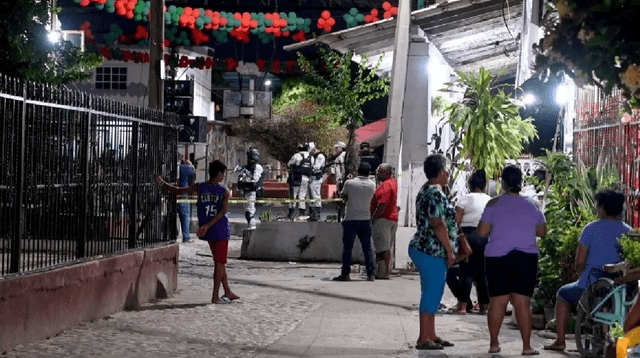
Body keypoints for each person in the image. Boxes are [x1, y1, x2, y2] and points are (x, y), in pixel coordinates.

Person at [544, 189, 631, 351]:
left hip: (591, 284)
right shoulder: (628, 230)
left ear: (602, 208)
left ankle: (560, 341)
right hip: (619, 287)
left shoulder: (590, 229)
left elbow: (580, 261)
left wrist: (580, 275)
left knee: (563, 294)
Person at [478, 165, 546, 355]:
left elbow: (482, 232)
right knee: (522, 303)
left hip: (497, 257)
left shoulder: (493, 203)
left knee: (497, 302)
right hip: (526, 257)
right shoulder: (532, 203)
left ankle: (493, 344)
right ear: (521, 181)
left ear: (503, 182)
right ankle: (526, 347)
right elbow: (542, 231)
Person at [155, 160, 240, 304]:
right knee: (219, 263)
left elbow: (178, 190)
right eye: (223, 173)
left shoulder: (200, 187)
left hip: (209, 230)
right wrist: (207, 225)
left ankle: (227, 291)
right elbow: (222, 213)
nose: (224, 176)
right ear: (218, 174)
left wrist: (162, 183)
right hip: (220, 229)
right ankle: (215, 296)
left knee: (220, 262)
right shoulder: (225, 191)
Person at [408, 153, 459, 350]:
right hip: (431, 249)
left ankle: (431, 334)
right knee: (431, 293)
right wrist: (450, 251)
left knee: (433, 293)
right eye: (446, 169)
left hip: (426, 248)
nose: (448, 173)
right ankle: (424, 337)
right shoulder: (435, 193)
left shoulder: (428, 190)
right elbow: (438, 224)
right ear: (441, 172)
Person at [453, 169, 492, 314]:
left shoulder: (465, 198)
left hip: (468, 235)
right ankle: (484, 307)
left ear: (470, 184)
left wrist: (461, 235)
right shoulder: (489, 200)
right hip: (485, 236)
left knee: (466, 272)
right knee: (482, 273)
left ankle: (463, 306)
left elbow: (457, 220)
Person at [333, 162, 377, 282]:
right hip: (366, 219)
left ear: (358, 171)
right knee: (367, 247)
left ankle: (345, 274)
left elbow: (343, 197)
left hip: (351, 219)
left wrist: (348, 180)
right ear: (369, 172)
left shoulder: (349, 183)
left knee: (348, 248)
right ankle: (371, 273)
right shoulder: (372, 185)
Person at [370, 163, 398, 279]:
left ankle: (383, 272)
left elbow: (382, 205)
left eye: (380, 172)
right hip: (391, 218)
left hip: (383, 219)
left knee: (382, 248)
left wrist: (374, 218)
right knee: (386, 247)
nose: (378, 174)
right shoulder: (393, 183)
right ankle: (384, 271)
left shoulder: (386, 186)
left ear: (386, 173)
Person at [237, 148, 263, 229]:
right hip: (247, 192)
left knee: (250, 212)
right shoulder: (245, 167)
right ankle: (251, 226)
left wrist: (246, 182)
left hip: (253, 193)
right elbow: (240, 182)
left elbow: (254, 182)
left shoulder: (257, 167)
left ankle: (252, 227)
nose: (247, 159)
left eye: (249, 157)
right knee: (247, 212)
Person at [287, 143, 311, 220]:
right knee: (302, 196)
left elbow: (289, 164)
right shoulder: (311, 157)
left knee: (293, 196)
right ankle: (302, 213)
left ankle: (291, 213)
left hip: (296, 178)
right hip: (306, 178)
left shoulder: (296, 156)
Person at [177, 159, 195, 242]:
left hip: (174, 193)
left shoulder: (176, 167)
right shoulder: (190, 168)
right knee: (185, 216)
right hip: (184, 194)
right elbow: (192, 181)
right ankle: (186, 237)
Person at [308, 143, 326, 221]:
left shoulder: (320, 156)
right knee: (312, 194)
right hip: (313, 178)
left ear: (314, 150)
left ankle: (317, 212)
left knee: (316, 194)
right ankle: (313, 212)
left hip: (317, 178)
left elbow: (316, 167)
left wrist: (309, 168)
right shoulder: (314, 156)